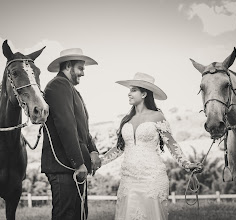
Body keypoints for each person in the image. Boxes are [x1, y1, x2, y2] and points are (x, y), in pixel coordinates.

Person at [100, 72, 203, 220]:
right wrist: (99, 162)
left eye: (133, 90)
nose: (129, 94)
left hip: (152, 178)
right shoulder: (126, 119)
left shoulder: (157, 117)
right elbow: (119, 147)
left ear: (144, 94)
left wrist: (186, 164)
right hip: (128, 180)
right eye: (129, 90)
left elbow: (171, 143)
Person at [41, 48, 101, 220]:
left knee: (79, 214)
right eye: (81, 68)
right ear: (68, 66)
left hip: (74, 166)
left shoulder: (72, 90)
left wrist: (93, 151)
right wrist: (78, 163)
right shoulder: (58, 85)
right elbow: (66, 126)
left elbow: (82, 128)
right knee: (66, 215)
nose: (83, 74)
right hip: (64, 166)